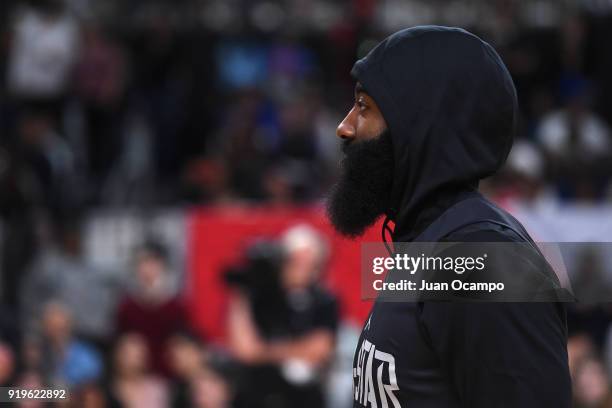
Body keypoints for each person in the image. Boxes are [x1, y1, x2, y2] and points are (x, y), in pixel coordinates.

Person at [327, 26, 571, 407]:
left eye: (364, 107)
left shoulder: (481, 257)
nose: (345, 127)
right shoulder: (430, 236)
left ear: (419, 125)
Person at [227, 224, 338, 408]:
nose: (300, 268)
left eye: (309, 263)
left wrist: (264, 351)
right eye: (294, 261)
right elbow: (244, 350)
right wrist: (243, 292)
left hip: (303, 398)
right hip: (257, 394)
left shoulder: (324, 300)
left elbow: (319, 349)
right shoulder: (258, 297)